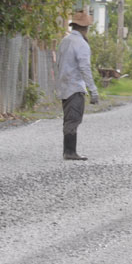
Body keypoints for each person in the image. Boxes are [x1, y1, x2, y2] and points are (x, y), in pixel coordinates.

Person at [55, 10, 100, 161]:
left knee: (69, 118)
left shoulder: (64, 41)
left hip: (64, 85)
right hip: (75, 86)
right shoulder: (82, 44)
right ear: (85, 28)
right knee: (73, 119)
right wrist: (93, 90)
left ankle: (68, 150)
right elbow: (85, 68)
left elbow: (58, 63)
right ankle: (70, 151)